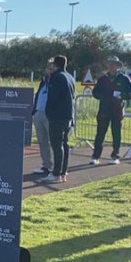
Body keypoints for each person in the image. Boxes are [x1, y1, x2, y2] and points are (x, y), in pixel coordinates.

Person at [89, 56, 131, 165]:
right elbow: (95, 92)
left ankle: (115, 156)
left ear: (118, 66)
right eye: (109, 64)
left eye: (113, 64)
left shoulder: (124, 79)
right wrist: (102, 96)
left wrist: (122, 96)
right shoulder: (103, 79)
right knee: (100, 134)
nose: (111, 66)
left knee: (116, 134)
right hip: (104, 110)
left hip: (117, 110)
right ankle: (95, 156)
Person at [40, 55, 76, 184]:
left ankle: (56, 173)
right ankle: (63, 171)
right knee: (64, 144)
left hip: (57, 116)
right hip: (67, 115)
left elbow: (53, 97)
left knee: (57, 145)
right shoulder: (70, 77)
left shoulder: (56, 77)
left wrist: (49, 112)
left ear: (55, 65)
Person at [31, 58, 56, 176]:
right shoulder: (43, 81)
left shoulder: (57, 81)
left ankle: (57, 166)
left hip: (51, 115)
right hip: (39, 113)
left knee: (54, 141)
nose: (50, 71)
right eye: (49, 69)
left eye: (53, 69)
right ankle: (47, 165)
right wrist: (34, 112)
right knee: (42, 141)